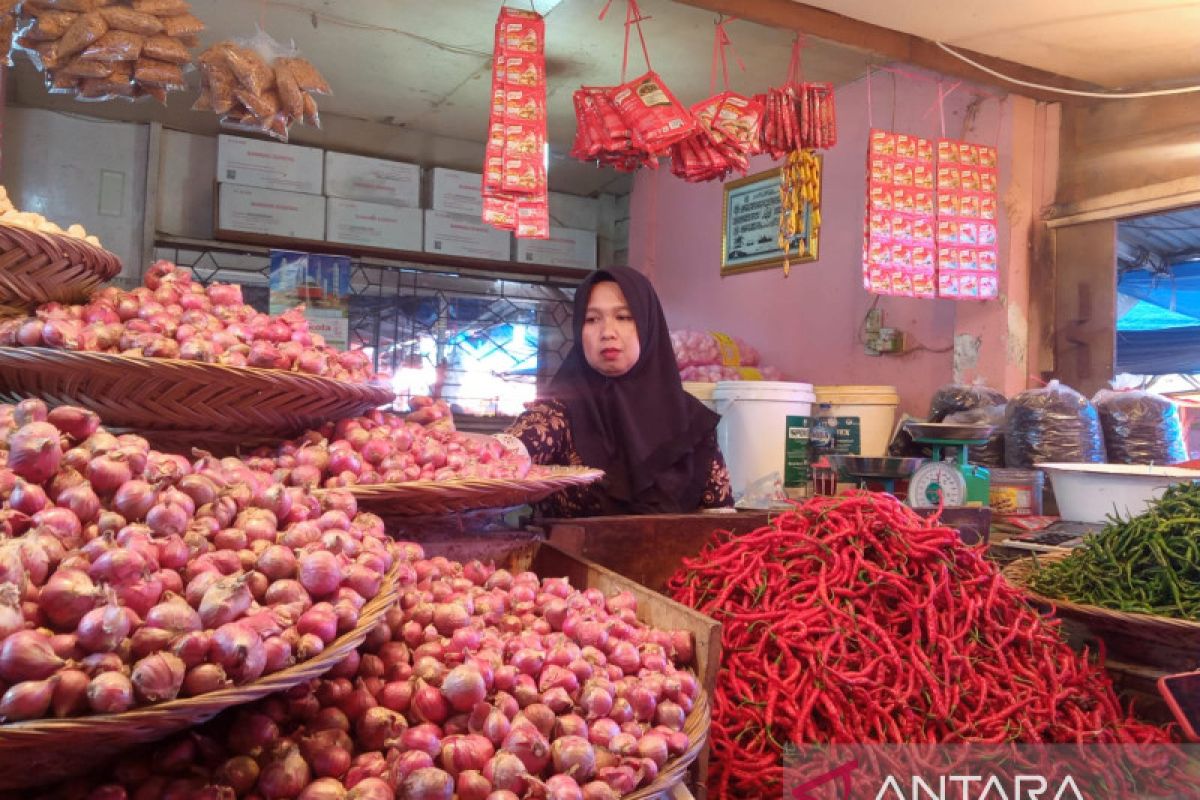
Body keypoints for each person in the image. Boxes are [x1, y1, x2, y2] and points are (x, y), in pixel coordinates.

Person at [502, 266, 732, 517]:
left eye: (624, 317)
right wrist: (469, 452)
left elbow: (719, 523)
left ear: (647, 324)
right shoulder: (559, 414)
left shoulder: (691, 422)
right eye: (592, 319)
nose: (607, 333)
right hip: (568, 556)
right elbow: (508, 452)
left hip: (678, 555)